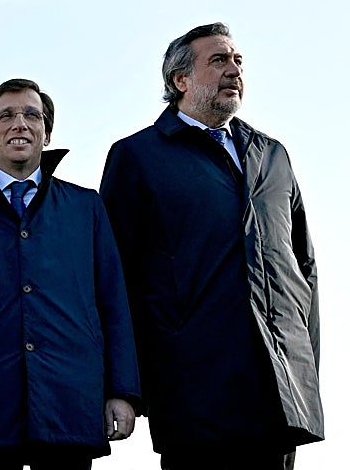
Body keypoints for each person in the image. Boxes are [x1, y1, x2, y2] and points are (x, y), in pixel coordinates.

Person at [99, 23, 322, 470]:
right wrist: (122, 386)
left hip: (279, 386)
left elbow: (304, 267)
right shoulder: (138, 157)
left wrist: (303, 364)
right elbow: (111, 277)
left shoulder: (272, 154)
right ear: (180, 80)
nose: (233, 70)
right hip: (193, 388)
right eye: (218, 60)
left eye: (238, 61)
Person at [0, 78, 140, 470]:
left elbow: (113, 303)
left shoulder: (85, 207)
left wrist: (122, 391)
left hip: (68, 403)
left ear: (47, 133)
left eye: (31, 115)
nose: (19, 123)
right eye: (5, 116)